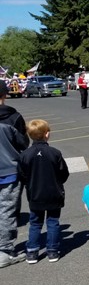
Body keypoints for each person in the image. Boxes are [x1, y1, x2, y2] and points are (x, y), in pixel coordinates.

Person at [19, 120, 70, 263]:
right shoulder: (55, 153)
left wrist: (29, 184)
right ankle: (52, 251)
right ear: (47, 134)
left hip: (35, 194)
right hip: (54, 193)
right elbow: (64, 173)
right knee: (53, 221)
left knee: (35, 223)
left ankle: (32, 252)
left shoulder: (25, 155)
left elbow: (22, 175)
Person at [0, 80, 29, 268]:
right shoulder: (12, 117)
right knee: (7, 210)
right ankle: (4, 250)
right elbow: (23, 143)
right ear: (4, 95)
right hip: (9, 169)